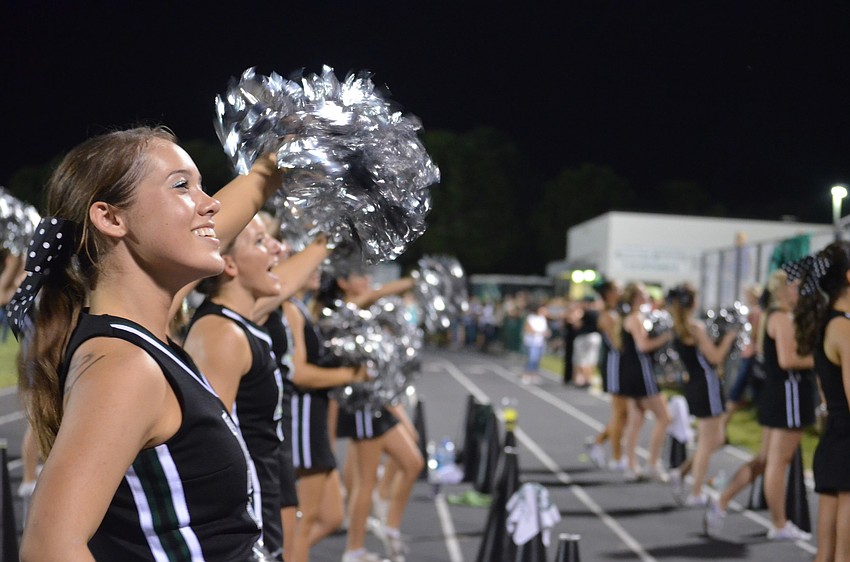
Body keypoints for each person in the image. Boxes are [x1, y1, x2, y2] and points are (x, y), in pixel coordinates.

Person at [15, 126, 282, 560]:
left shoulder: (142, 330)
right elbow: (49, 548)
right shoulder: (123, 366)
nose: (210, 203)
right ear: (112, 218)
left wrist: (273, 166)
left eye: (203, 187)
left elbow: (219, 218)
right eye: (182, 186)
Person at [182, 214, 286, 558]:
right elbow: (211, 447)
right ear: (228, 264)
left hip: (263, 499)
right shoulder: (220, 334)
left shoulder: (241, 324)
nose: (278, 248)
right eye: (260, 242)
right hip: (242, 522)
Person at [321, 268, 423, 562]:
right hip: (362, 404)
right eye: (359, 275)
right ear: (343, 281)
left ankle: (388, 526)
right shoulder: (343, 313)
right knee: (364, 483)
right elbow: (374, 295)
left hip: (379, 401)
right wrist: (415, 280)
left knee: (412, 461)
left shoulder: (365, 313)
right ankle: (354, 549)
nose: (367, 280)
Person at [705, 268, 815, 541]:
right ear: (782, 290)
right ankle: (778, 523)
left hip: (776, 394)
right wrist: (822, 360)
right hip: (788, 394)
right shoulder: (782, 317)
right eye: (796, 287)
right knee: (779, 461)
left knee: (766, 460)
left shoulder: (770, 316)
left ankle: (722, 499)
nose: (800, 292)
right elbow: (789, 361)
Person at [283, 267, 368, 562]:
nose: (318, 269)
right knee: (302, 524)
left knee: (331, 516)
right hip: (305, 421)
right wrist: (351, 374)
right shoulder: (290, 308)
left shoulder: (302, 308)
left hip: (315, 422)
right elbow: (300, 373)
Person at [794, 242, 850, 560]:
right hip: (847, 443)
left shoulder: (827, 322)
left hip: (834, 438)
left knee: (825, 555)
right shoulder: (843, 327)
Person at [667, 283, 738, 507]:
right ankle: (696, 492)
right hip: (707, 385)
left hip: (696, 385)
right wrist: (729, 338)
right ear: (691, 303)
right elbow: (715, 357)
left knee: (715, 438)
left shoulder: (679, 327)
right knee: (708, 442)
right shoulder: (694, 327)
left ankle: (681, 472)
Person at [618, 282, 672, 481]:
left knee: (636, 420)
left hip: (633, 371)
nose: (647, 297)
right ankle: (652, 463)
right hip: (641, 372)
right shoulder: (635, 317)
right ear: (635, 298)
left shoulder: (634, 317)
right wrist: (665, 338)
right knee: (664, 418)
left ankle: (631, 465)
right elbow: (643, 345)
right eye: (643, 294)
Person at [585, 280, 629, 472]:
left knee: (625, 414)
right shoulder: (607, 316)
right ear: (609, 294)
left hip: (624, 366)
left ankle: (598, 442)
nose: (621, 292)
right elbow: (619, 344)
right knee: (620, 413)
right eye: (617, 290)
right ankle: (617, 457)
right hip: (614, 366)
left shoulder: (618, 312)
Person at [724, 284, 764, 422]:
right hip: (751, 354)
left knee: (738, 390)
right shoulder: (757, 312)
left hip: (751, 354)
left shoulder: (756, 312)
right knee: (744, 391)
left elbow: (754, 335)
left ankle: (723, 422)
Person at [571, 295, 602, 388]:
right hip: (596, 337)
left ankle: (584, 379)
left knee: (582, 360)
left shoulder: (585, 313)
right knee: (591, 360)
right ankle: (588, 379)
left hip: (584, 337)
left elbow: (577, 325)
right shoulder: (598, 313)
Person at [521, 304, 550, 384]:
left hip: (540, 342)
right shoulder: (531, 317)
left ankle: (534, 375)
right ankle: (526, 374)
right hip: (531, 342)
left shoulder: (543, 319)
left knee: (537, 359)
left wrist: (545, 333)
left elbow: (545, 330)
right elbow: (527, 328)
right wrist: (539, 333)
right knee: (532, 359)